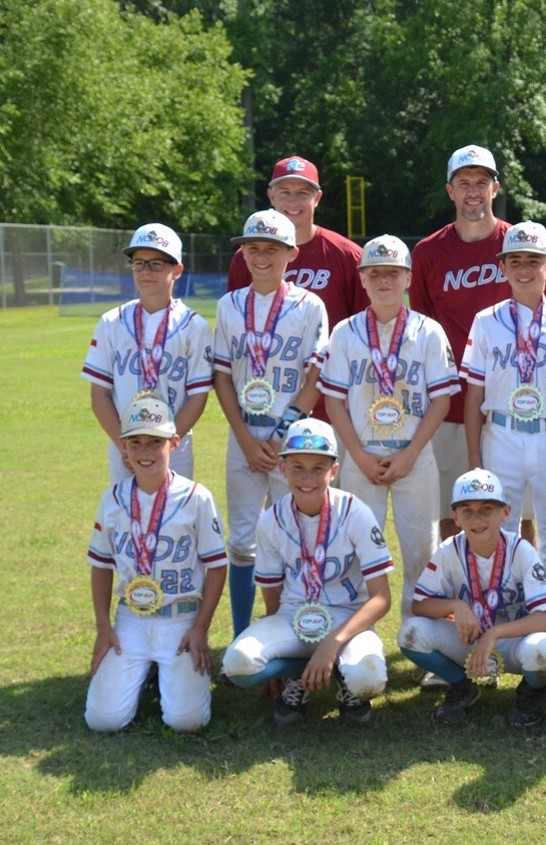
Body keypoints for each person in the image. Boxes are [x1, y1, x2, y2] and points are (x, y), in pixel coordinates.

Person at [460, 221, 546, 695]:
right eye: (514, 261)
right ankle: (494, 649)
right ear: (503, 267)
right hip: (503, 437)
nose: (524, 269)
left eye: (533, 261)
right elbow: (473, 393)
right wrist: (475, 461)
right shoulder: (487, 320)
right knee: (498, 542)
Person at [410, 145, 546, 546]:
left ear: (495, 188)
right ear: (450, 191)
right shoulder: (428, 253)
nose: (473, 191)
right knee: (455, 513)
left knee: (519, 519)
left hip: (515, 405)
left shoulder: (521, 244)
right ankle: (458, 601)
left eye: (482, 183)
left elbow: (545, 321)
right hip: (452, 406)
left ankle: (525, 597)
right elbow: (423, 333)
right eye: (464, 183)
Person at [320, 235, 459, 622]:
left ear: (408, 279)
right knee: (355, 550)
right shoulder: (345, 332)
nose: (384, 281)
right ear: (362, 279)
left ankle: (420, 637)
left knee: (422, 551)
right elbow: (334, 401)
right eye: (375, 273)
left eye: (393, 273)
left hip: (414, 455)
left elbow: (441, 400)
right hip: (361, 454)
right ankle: (353, 635)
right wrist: (359, 456)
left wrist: (411, 454)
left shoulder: (428, 331)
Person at [221, 419, 394, 727]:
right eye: (297, 466)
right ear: (282, 468)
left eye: (318, 468)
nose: (307, 477)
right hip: (293, 616)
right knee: (239, 664)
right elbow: (272, 592)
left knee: (369, 678)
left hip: (347, 618)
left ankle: (345, 679)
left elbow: (381, 598)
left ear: (334, 471)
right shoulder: (271, 519)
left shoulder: (356, 512)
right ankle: (295, 679)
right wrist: (274, 655)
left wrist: (332, 643)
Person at [213, 209, 329, 637]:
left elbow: (315, 375)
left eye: (272, 249)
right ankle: (245, 633)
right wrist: (245, 438)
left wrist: (282, 435)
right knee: (243, 542)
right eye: (253, 247)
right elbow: (222, 376)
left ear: (291, 254)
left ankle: (300, 630)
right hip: (243, 435)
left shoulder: (309, 305)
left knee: (300, 537)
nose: (262, 257)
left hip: (293, 441)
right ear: (243, 252)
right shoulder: (229, 305)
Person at [85, 395, 226, 732]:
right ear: (123, 446)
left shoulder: (196, 497)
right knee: (102, 721)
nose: (145, 452)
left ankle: (167, 677)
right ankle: (150, 673)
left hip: (181, 618)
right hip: (131, 620)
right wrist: (104, 626)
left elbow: (217, 567)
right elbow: (102, 566)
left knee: (186, 722)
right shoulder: (114, 499)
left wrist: (201, 628)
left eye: (155, 442)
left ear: (174, 443)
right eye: (136, 442)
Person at [397, 468, 546, 727]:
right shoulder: (449, 550)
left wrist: (494, 634)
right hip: (469, 638)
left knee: (544, 652)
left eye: (486, 509)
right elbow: (419, 605)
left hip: (514, 642)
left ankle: (531, 692)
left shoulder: (521, 550)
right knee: (412, 633)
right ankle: (461, 686)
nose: (477, 518)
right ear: (456, 517)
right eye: (467, 511)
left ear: (505, 512)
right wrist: (455, 605)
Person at [227, 155, 364, 430]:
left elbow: (364, 330)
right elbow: (236, 332)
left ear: (318, 197)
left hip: (333, 404)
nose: (293, 203)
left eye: (303, 193)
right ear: (271, 196)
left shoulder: (347, 255)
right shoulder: (246, 258)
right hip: (262, 402)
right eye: (284, 193)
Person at [82, 224, 213, 483]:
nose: (145, 271)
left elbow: (198, 397)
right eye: (139, 263)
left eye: (156, 264)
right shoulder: (112, 322)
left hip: (175, 445)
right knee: (126, 515)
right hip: (123, 445)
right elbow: (99, 394)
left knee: (174, 516)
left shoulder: (194, 325)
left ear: (177, 270)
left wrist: (164, 443)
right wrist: (126, 445)